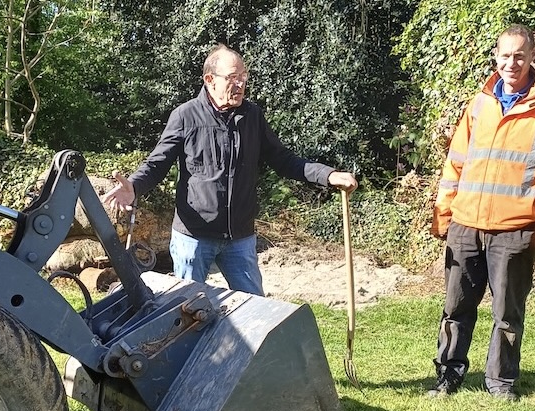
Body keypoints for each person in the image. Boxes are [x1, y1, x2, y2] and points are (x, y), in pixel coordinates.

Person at [102, 44, 357, 296]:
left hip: (240, 239)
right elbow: (157, 163)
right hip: (194, 237)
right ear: (210, 80)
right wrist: (134, 186)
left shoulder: (253, 117)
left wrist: (327, 175)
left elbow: (283, 160)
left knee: (255, 307)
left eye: (243, 76)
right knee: (185, 308)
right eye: (232, 77)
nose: (240, 84)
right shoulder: (186, 116)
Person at [428, 24, 535, 401]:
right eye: (505, 55)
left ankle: (501, 382)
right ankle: (447, 376)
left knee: (507, 314)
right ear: (496, 57)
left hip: (515, 229)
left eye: (520, 56)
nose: (512, 63)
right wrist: (443, 215)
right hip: (466, 225)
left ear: (533, 58)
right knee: (455, 308)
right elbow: (455, 163)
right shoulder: (480, 103)